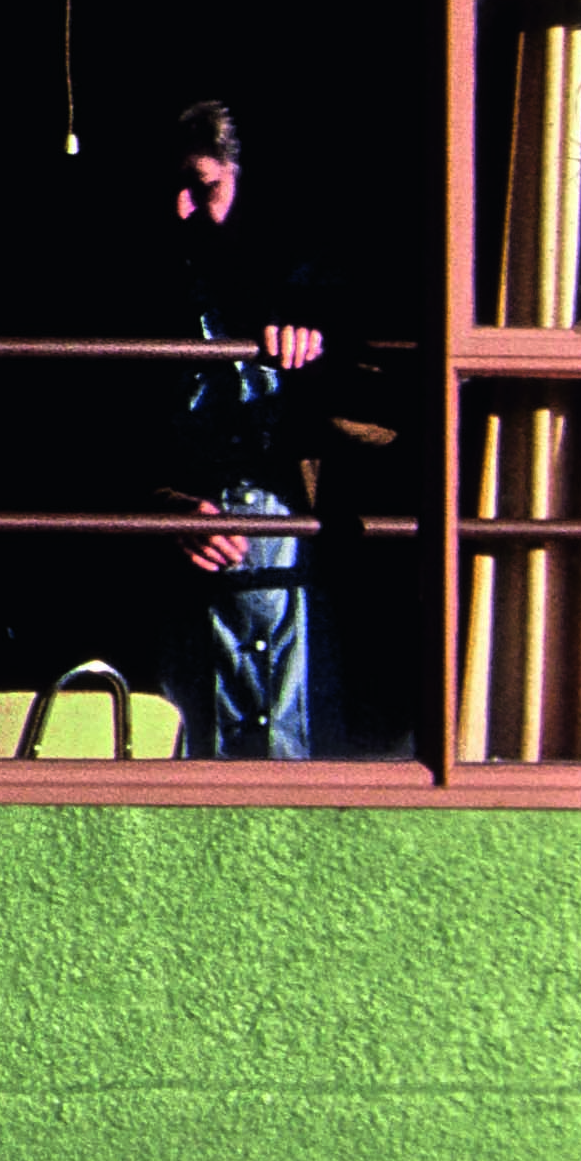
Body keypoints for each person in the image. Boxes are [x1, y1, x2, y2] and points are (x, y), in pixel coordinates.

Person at [122, 96, 384, 760]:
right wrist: (162, 507)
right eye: (173, 187)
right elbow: (112, 427)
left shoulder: (328, 283)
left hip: (302, 557)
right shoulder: (157, 283)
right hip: (190, 564)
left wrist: (316, 359)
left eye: (203, 186)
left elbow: (389, 422)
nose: (181, 208)